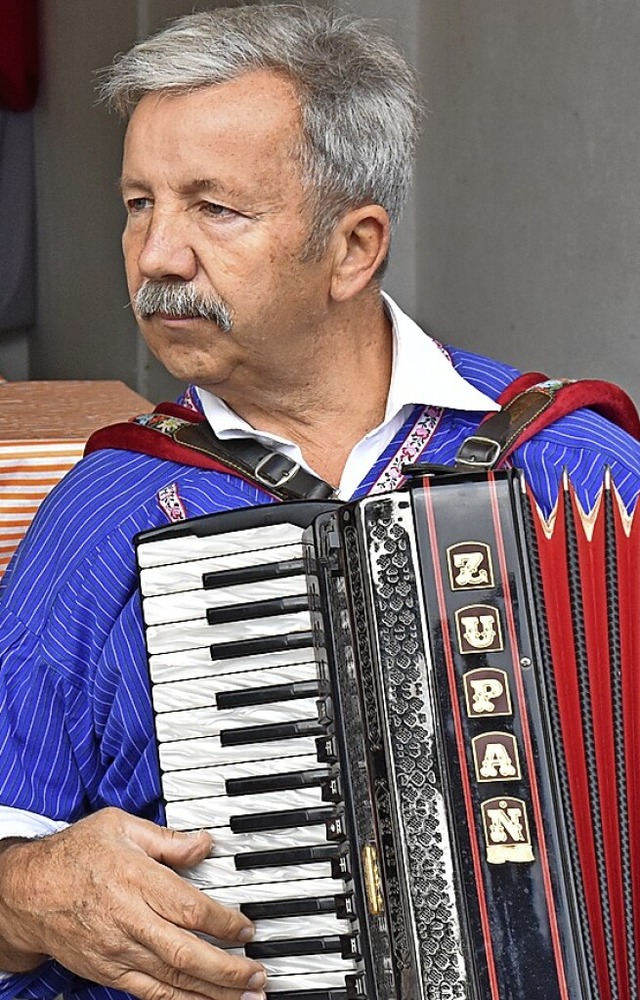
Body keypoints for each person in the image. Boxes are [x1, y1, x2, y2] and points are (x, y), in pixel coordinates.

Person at [0, 5, 638, 1000]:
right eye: (138, 204)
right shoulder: (100, 517)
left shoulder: (580, 470)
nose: (157, 255)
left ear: (353, 247)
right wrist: (26, 887)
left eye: (214, 208)